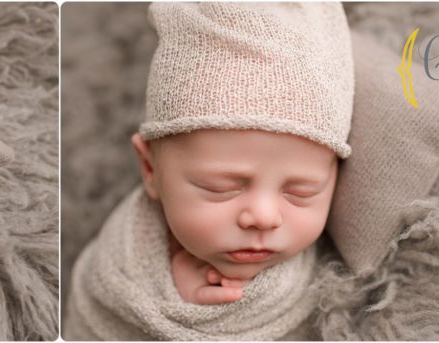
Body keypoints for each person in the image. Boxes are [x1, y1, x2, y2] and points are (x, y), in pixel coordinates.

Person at [64, 2, 354, 340]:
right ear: (150, 168)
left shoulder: (335, 285)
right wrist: (175, 296)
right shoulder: (118, 269)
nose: (262, 216)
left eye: (301, 192)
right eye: (222, 187)